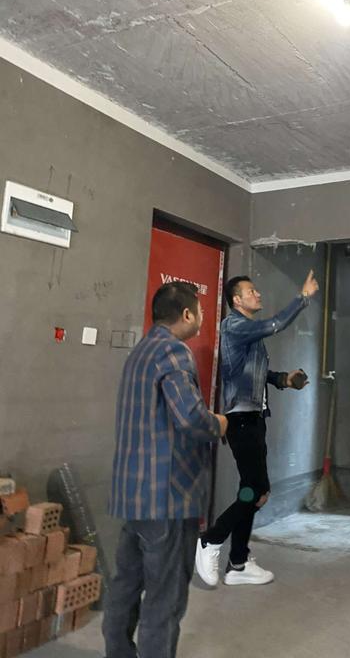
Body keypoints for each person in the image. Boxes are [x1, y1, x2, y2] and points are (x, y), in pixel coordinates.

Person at [103, 281, 227, 658]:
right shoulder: (174, 352)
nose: (203, 317)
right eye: (200, 311)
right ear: (187, 314)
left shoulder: (140, 352)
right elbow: (190, 418)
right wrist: (219, 423)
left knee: (126, 585)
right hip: (168, 497)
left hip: (133, 495)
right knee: (165, 596)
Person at [196, 269, 319, 587]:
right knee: (256, 491)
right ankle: (211, 538)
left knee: (251, 490)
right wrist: (303, 297)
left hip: (253, 418)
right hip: (241, 420)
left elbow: (255, 373)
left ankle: (238, 563)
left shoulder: (247, 334)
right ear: (237, 300)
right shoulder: (235, 325)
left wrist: (283, 380)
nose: (258, 294)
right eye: (251, 291)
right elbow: (275, 324)